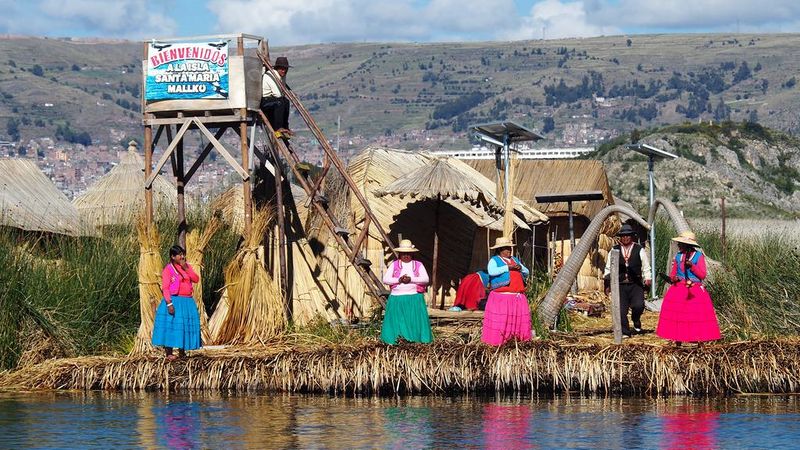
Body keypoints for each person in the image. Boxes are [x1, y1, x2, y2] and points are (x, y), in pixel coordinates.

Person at [656, 231, 721, 346]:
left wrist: (692, 266)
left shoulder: (698, 256)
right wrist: (674, 278)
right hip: (679, 288)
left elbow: (702, 275)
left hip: (694, 288)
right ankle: (678, 339)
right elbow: (673, 273)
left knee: (694, 315)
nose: (679, 245)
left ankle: (696, 338)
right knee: (678, 315)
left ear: (688, 245)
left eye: (681, 243)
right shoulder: (678, 256)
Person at [152, 245, 201, 360]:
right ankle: (168, 352)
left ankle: (182, 351)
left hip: (186, 301)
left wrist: (186, 268)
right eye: (179, 254)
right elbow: (165, 288)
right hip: (174, 300)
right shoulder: (168, 270)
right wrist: (169, 303)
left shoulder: (186, 266)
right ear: (173, 256)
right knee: (171, 325)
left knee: (183, 326)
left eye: (183, 254)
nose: (182, 256)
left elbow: (196, 279)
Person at [380, 239, 433, 345]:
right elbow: (386, 279)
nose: (406, 256)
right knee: (397, 321)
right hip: (397, 299)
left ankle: (415, 340)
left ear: (412, 254)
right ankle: (394, 341)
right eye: (403, 253)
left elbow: (425, 279)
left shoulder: (418, 265)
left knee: (413, 321)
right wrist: (399, 280)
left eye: (408, 253)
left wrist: (410, 280)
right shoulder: (394, 265)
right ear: (400, 254)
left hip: (414, 299)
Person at [481, 236, 532, 346]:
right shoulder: (494, 260)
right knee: (502, 321)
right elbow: (492, 271)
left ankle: (517, 340)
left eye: (510, 247)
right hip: (502, 297)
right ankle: (499, 342)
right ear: (500, 250)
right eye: (506, 248)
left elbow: (527, 272)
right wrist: (508, 268)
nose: (509, 250)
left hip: (517, 297)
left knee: (516, 321)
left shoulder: (515, 260)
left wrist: (520, 268)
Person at [604, 223, 651, 337]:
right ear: (620, 237)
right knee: (620, 310)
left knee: (638, 305)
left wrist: (647, 278)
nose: (625, 238)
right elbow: (608, 268)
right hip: (620, 285)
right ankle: (625, 331)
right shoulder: (614, 250)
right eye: (623, 236)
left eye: (628, 235)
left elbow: (645, 266)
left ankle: (636, 319)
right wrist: (607, 283)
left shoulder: (639, 249)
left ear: (632, 236)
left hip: (636, 284)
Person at [261, 56, 293, 138]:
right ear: (277, 68)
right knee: (280, 101)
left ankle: (285, 126)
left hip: (272, 99)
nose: (284, 71)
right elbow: (278, 94)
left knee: (286, 101)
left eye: (285, 69)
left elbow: (282, 93)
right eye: (282, 69)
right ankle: (278, 127)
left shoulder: (282, 76)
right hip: (265, 100)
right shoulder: (272, 75)